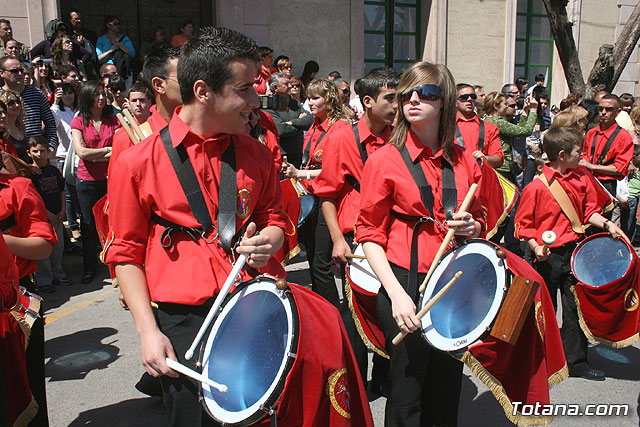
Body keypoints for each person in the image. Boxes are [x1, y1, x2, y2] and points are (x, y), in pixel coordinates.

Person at [104, 27, 288, 426]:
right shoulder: (136, 163)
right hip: (184, 321)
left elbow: (275, 221)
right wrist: (148, 332)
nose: (256, 100)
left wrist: (267, 243)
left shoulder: (257, 153)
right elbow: (125, 254)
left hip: (253, 304)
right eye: (245, 89)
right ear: (203, 91)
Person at [357, 61, 484, 425]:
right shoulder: (383, 160)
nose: (413, 100)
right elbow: (368, 234)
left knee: (446, 386)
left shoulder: (466, 162)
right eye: (405, 93)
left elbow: (484, 223)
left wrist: (473, 227)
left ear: (443, 101)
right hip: (403, 280)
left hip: (452, 282)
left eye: (425, 93)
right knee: (407, 389)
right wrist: (396, 294)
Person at [514, 126, 626, 381]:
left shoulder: (581, 177)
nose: (582, 155)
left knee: (575, 307)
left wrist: (609, 225)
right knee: (544, 308)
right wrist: (536, 247)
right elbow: (523, 225)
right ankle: (539, 360)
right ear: (562, 155)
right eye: (578, 151)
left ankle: (576, 361)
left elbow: (588, 213)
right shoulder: (537, 187)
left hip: (575, 252)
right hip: (545, 255)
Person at [313, 66, 398, 394]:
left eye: (399, 98)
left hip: (391, 238)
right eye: (390, 98)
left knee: (389, 308)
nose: (397, 105)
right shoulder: (342, 136)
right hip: (355, 239)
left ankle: (385, 378)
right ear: (368, 101)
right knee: (355, 313)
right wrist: (336, 239)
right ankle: (356, 384)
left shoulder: (400, 135)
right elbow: (327, 194)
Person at [281, 78, 352, 308]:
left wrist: (300, 173)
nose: (308, 103)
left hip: (329, 200)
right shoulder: (315, 125)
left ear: (329, 99)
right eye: (308, 98)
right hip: (311, 197)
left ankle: (333, 310)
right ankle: (321, 305)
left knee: (322, 261)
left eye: (314, 98)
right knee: (312, 256)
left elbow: (335, 168)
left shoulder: (340, 127)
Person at [0, 152, 56, 426]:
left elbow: (44, 245)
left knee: (27, 393)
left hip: (16, 305)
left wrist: (2, 242)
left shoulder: (17, 188)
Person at [71, 80, 118, 284]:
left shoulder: (113, 119)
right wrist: (107, 151)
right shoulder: (79, 121)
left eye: (102, 93)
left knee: (112, 223)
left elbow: (120, 148)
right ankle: (89, 267)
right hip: (87, 181)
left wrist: (96, 155)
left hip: (110, 178)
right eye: (96, 94)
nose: (100, 97)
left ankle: (114, 266)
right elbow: (81, 152)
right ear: (87, 97)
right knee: (89, 225)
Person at [27, 136, 73, 291]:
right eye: (35, 151)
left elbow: (61, 190)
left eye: (42, 151)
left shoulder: (53, 170)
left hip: (57, 215)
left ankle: (58, 274)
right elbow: (34, 198)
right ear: (29, 153)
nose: (39, 154)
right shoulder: (30, 175)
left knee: (58, 246)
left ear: (48, 151)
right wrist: (47, 214)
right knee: (44, 249)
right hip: (41, 218)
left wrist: (62, 210)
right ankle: (44, 280)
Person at [0, 56, 58, 152]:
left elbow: (50, 122)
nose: (19, 74)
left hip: (36, 153)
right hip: (10, 152)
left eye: (21, 70)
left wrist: (50, 148)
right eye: (14, 71)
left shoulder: (36, 94)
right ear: (2, 73)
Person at [580, 94, 634, 197]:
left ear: (618, 111)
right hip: (587, 181)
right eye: (600, 109)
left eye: (608, 109)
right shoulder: (592, 133)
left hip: (606, 184)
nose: (603, 113)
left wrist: (592, 166)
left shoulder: (623, 136)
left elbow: (620, 169)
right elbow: (586, 157)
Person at [484, 91, 538, 185]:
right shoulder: (498, 122)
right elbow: (525, 131)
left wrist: (525, 111)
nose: (507, 106)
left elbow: (519, 131)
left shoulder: (487, 120)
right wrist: (533, 111)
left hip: (496, 166)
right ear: (496, 106)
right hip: (503, 167)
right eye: (505, 104)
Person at [51, 83, 82, 243]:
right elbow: (53, 123)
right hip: (64, 156)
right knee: (69, 194)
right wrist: (55, 103)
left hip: (80, 157)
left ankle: (80, 222)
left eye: (71, 93)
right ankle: (73, 226)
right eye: (65, 93)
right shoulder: (57, 111)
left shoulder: (79, 111)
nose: (68, 96)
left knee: (79, 193)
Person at [264, 72, 314, 167]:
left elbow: (310, 120)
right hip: (281, 159)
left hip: (298, 156)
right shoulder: (268, 106)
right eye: (286, 84)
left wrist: (291, 123)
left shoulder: (295, 103)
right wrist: (300, 125)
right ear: (275, 87)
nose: (290, 86)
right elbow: (281, 130)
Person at [454, 83, 503, 168]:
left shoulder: (490, 127)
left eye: (473, 96)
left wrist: (485, 158)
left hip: (480, 177)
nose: (469, 99)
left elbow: (499, 159)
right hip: (453, 177)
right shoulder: (444, 126)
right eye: (464, 97)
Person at [96, 16, 136, 85]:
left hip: (124, 70)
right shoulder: (101, 40)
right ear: (108, 25)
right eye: (115, 24)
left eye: (118, 24)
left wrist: (118, 44)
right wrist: (111, 50)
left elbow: (132, 53)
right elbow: (98, 58)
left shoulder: (124, 38)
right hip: (109, 71)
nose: (118, 26)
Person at [0, 90, 28, 162]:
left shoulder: (22, 128)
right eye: (11, 103)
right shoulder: (2, 132)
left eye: (18, 102)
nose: (17, 105)